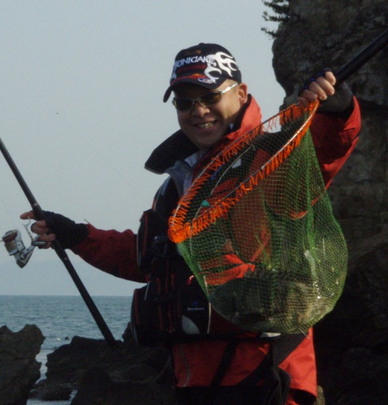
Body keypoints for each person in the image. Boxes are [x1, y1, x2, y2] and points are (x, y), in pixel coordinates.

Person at [21, 43, 361, 405]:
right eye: (185, 102)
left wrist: (337, 111)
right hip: (192, 380)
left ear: (241, 94)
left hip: (267, 378)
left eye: (210, 97)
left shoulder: (273, 159)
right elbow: (149, 260)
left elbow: (326, 152)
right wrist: (75, 235)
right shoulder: (178, 184)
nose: (199, 111)